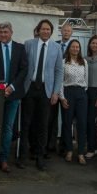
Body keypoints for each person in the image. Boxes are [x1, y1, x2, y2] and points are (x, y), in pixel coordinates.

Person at [0, 21, 28, 173]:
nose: (2, 35)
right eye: (0, 32)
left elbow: (23, 70)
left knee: (8, 128)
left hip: (13, 94)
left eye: (5, 32)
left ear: (11, 32)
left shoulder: (20, 48)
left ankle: (3, 159)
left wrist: (11, 87)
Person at [21, 19, 63, 170]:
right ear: (38, 30)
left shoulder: (56, 48)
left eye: (48, 29)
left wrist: (56, 92)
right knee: (26, 123)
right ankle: (23, 156)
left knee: (43, 125)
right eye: (43, 29)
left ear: (51, 32)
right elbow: (23, 67)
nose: (45, 31)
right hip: (30, 88)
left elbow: (59, 71)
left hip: (46, 90)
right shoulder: (28, 44)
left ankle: (40, 156)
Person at [59, 38, 89, 165]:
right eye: (73, 46)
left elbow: (86, 80)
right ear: (69, 48)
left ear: (79, 49)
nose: (75, 49)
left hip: (81, 94)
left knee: (82, 123)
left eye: (77, 47)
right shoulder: (63, 62)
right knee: (67, 122)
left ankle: (81, 152)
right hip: (68, 93)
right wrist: (62, 97)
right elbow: (60, 80)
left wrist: (82, 91)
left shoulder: (84, 62)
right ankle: (69, 150)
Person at [49, 22, 76, 154]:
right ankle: (51, 144)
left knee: (67, 119)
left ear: (71, 33)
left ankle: (65, 146)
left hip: (67, 88)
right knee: (52, 118)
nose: (66, 32)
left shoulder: (74, 48)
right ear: (61, 32)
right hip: (54, 87)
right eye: (64, 30)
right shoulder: (54, 45)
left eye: (68, 31)